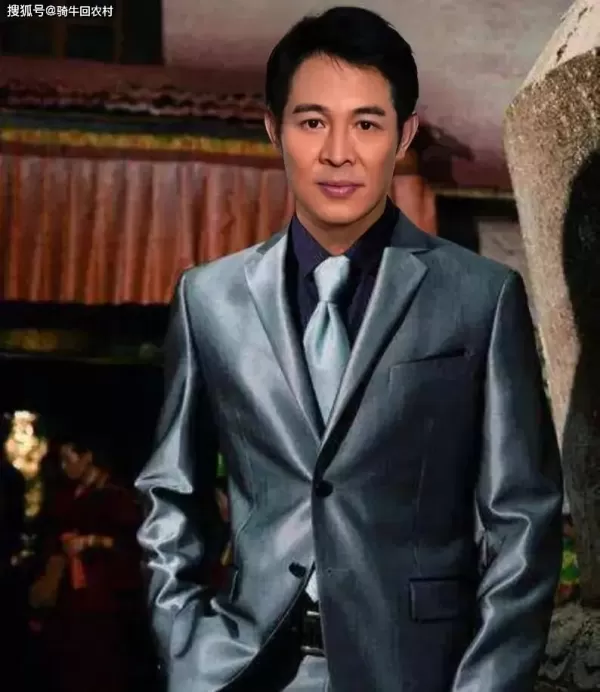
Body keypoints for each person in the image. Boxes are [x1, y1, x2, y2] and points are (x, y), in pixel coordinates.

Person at [135, 7, 563, 691]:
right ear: (274, 129)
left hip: (418, 673)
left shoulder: (480, 297)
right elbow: (172, 492)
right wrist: (186, 644)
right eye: (312, 123)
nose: (339, 153)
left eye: (366, 124)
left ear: (403, 135)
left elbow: (523, 519)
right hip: (248, 671)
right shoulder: (209, 299)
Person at [32, 436, 146, 692]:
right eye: (61, 461)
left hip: (103, 602)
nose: (64, 467)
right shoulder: (68, 495)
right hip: (70, 598)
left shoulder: (117, 496)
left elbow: (132, 546)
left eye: (68, 459)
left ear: (87, 457)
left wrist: (90, 541)